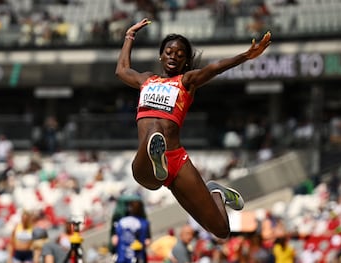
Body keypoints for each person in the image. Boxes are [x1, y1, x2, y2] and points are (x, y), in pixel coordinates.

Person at [115, 18, 271, 239]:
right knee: (154, 130)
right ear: (161, 55)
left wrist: (245, 56)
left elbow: (214, 68)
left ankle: (216, 193)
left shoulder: (186, 81)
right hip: (146, 166)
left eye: (180, 55)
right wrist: (129, 36)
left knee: (221, 230)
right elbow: (121, 70)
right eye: (169, 52)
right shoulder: (146, 80)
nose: (173, 57)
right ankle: (156, 157)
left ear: (186, 62)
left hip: (176, 160)